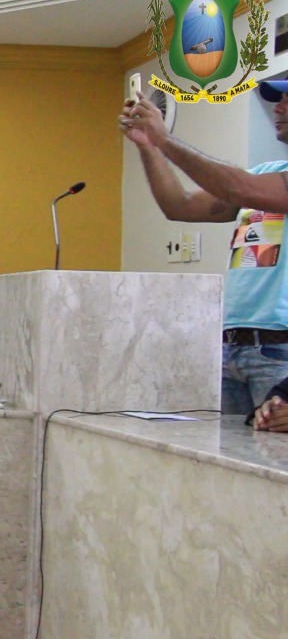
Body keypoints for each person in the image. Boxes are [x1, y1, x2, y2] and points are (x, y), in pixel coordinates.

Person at [120, 80, 288, 415]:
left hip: (279, 350)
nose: (278, 107)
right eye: (278, 100)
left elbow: (239, 187)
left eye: (287, 100)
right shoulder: (267, 173)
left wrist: (165, 139)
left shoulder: (256, 185)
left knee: (274, 447)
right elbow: (179, 205)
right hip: (232, 345)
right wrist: (148, 146)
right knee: (229, 448)